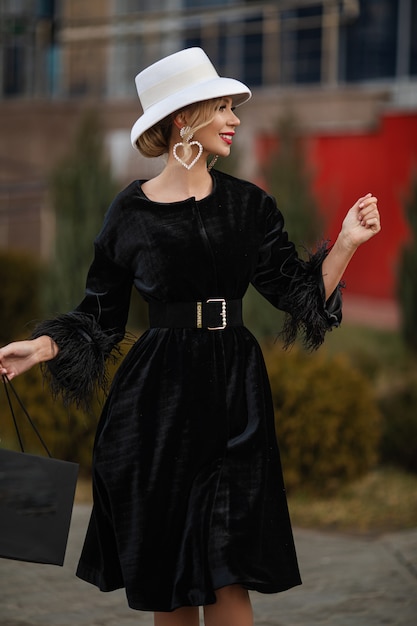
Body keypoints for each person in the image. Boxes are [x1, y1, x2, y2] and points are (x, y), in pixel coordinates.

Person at [0, 47, 380, 626]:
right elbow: (100, 315)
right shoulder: (129, 212)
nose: (233, 119)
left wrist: (348, 242)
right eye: (222, 107)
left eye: (233, 108)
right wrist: (42, 346)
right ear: (184, 119)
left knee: (228, 572)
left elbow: (298, 295)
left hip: (236, 399)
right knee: (172, 581)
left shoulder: (249, 205)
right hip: (156, 403)